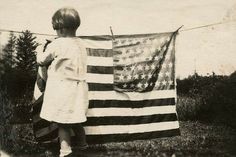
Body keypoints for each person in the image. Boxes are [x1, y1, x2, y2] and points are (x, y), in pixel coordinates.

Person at [36, 7, 88, 157]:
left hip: (63, 89)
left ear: (62, 30)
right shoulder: (81, 45)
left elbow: (42, 60)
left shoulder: (56, 44)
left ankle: (65, 151)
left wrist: (40, 49)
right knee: (76, 119)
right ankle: (83, 145)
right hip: (79, 89)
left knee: (63, 122)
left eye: (57, 29)